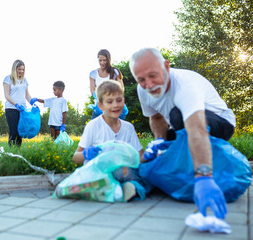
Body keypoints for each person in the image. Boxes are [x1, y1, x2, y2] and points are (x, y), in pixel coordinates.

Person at [129, 48, 236, 219]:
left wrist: (204, 176)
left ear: (166, 66)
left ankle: (202, 175)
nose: (148, 85)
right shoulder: (143, 91)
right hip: (183, 125)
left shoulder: (184, 85)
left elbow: (197, 129)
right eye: (141, 80)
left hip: (220, 123)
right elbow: (156, 117)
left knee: (176, 115)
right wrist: (159, 144)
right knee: (163, 150)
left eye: (153, 75)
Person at [73, 80, 151, 201]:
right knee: (122, 173)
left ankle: (121, 189)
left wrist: (151, 154)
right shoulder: (93, 126)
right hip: (99, 172)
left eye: (119, 100)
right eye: (109, 102)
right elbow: (75, 158)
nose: (115, 105)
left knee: (147, 171)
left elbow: (139, 157)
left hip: (123, 171)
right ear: (101, 105)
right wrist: (85, 154)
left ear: (123, 101)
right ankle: (123, 189)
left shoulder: (128, 127)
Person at [3, 59, 34, 146]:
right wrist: (15, 104)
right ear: (14, 69)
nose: (21, 71)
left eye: (23, 69)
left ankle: (18, 152)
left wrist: (33, 103)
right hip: (11, 108)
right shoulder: (8, 79)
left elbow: (27, 95)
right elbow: (6, 95)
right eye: (19, 69)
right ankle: (11, 151)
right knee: (13, 131)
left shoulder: (24, 80)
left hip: (22, 109)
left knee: (20, 132)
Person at [89, 49, 124, 119]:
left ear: (108, 60)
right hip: (99, 108)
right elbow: (92, 90)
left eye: (104, 60)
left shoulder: (115, 72)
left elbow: (122, 88)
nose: (102, 62)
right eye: (100, 60)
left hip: (113, 107)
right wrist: (98, 96)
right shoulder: (93, 74)